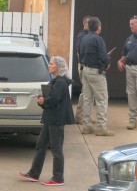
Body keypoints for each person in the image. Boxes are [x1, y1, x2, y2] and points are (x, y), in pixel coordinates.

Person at [18, 56, 75, 186]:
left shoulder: (60, 82)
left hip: (56, 119)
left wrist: (44, 100)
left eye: (51, 64)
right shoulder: (55, 81)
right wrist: (42, 100)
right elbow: (50, 99)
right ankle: (33, 174)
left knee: (56, 150)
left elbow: (53, 99)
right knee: (40, 146)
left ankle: (58, 178)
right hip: (50, 118)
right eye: (49, 64)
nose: (49, 66)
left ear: (59, 67)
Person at [79, 17, 114, 136]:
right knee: (102, 99)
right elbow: (104, 56)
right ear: (99, 27)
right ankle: (101, 127)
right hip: (95, 71)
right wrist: (107, 63)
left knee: (87, 99)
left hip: (85, 70)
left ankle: (87, 126)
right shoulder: (98, 39)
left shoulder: (83, 38)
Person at [75, 15, 92, 125]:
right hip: (84, 66)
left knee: (89, 92)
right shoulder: (82, 36)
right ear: (84, 23)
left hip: (86, 66)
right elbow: (80, 52)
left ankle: (86, 116)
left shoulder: (89, 35)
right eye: (89, 23)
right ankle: (79, 116)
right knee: (85, 92)